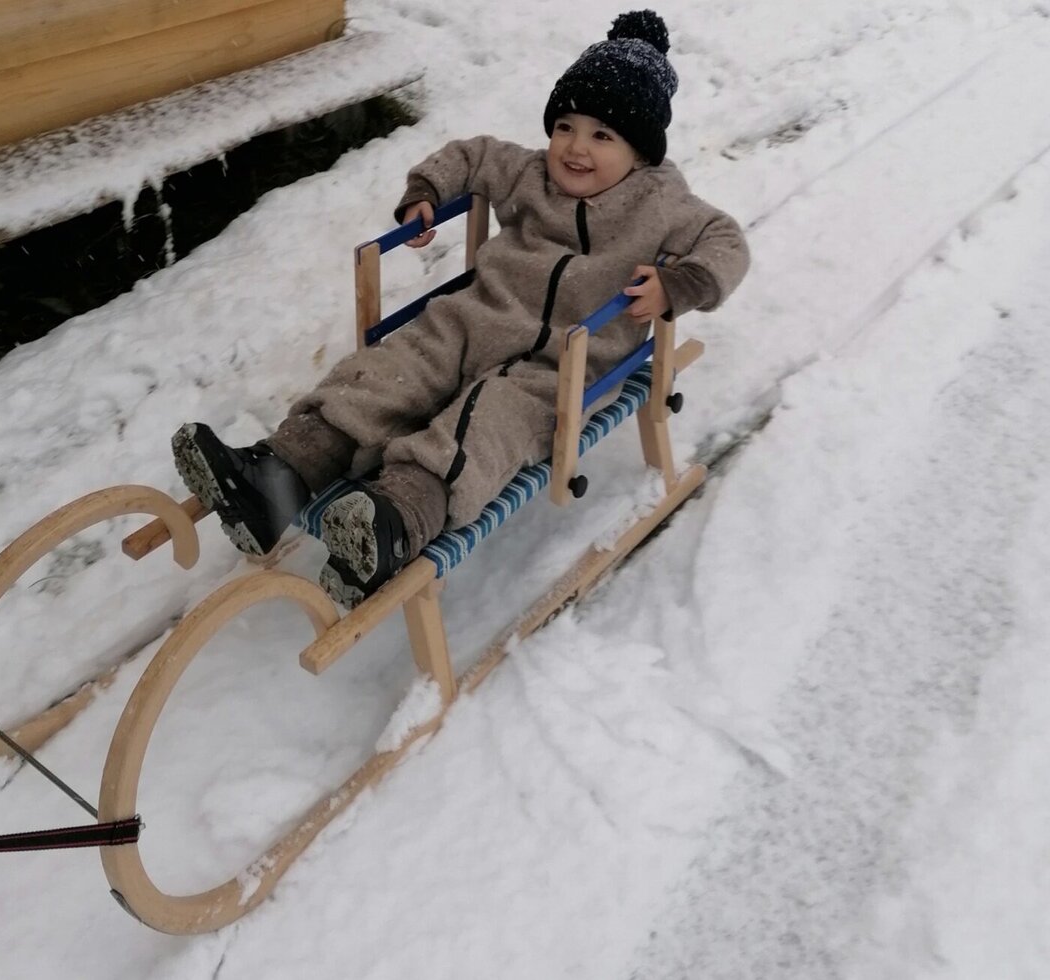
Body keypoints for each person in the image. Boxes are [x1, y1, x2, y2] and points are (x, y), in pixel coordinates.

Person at [172, 9, 750, 607]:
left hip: (561, 365)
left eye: (603, 136)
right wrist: (426, 192)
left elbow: (728, 244)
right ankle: (277, 476)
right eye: (565, 127)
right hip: (473, 319)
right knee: (389, 372)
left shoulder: (662, 204)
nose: (576, 148)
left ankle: (396, 519)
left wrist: (679, 285)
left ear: (641, 151)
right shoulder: (528, 172)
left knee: (487, 419)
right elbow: (469, 156)